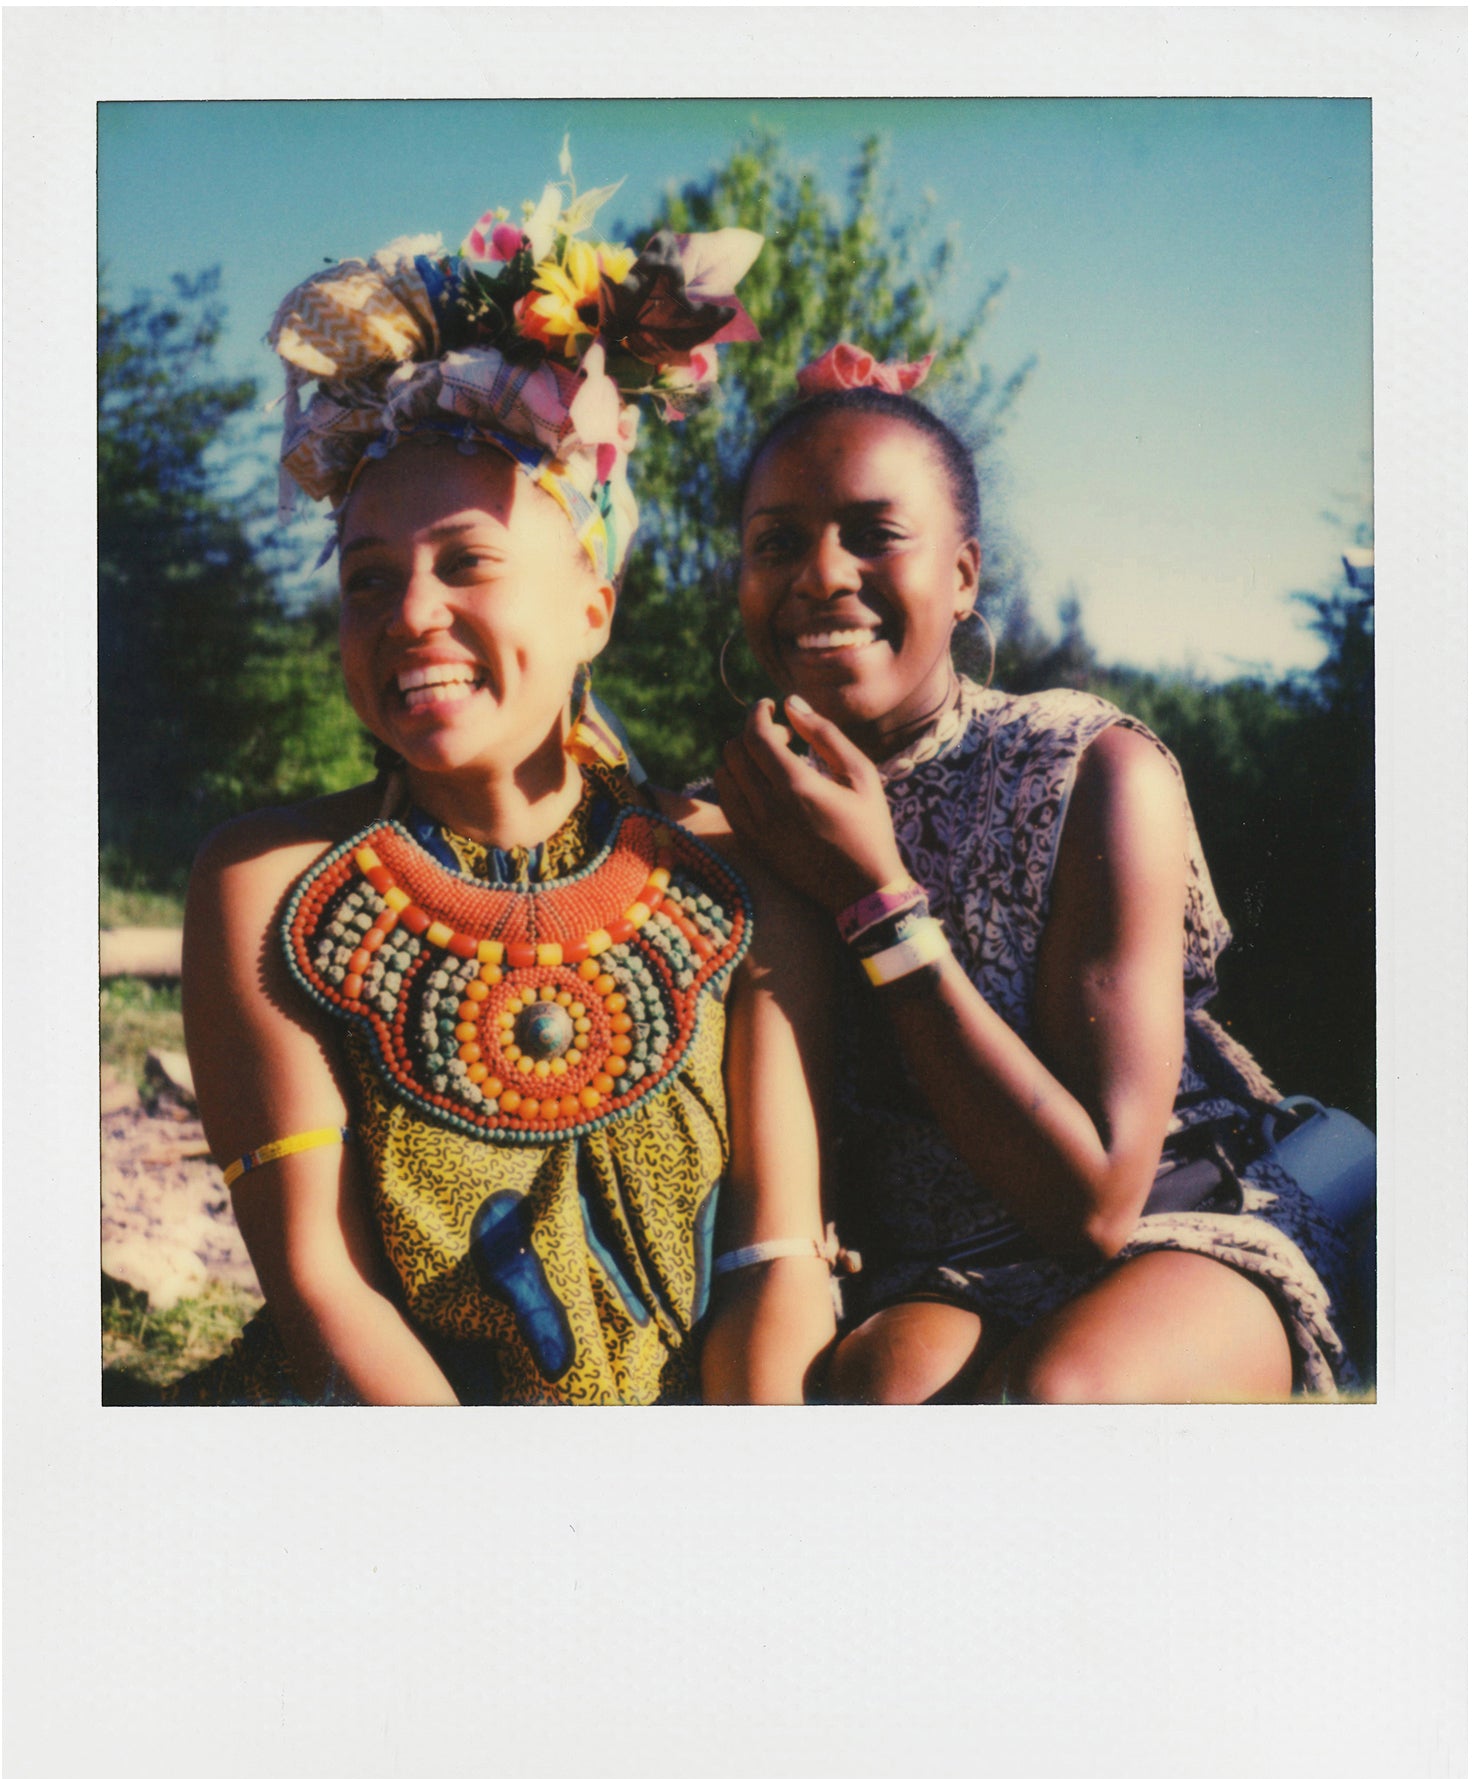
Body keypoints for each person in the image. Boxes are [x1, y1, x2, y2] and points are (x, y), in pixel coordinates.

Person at [166, 170, 837, 1405]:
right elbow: (324, 1287)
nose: (410, 613)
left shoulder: (733, 871)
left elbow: (775, 1262)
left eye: (467, 562)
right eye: (367, 580)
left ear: (592, 609)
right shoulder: (266, 885)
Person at [716, 342, 1359, 1401]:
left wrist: (875, 901)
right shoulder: (737, 815)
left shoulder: (1084, 769)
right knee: (876, 1391)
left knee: (1057, 1399)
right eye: (775, 542)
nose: (820, 575)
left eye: (874, 534)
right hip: (942, 1269)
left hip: (1173, 1225)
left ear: (962, 576)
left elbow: (1094, 1203)